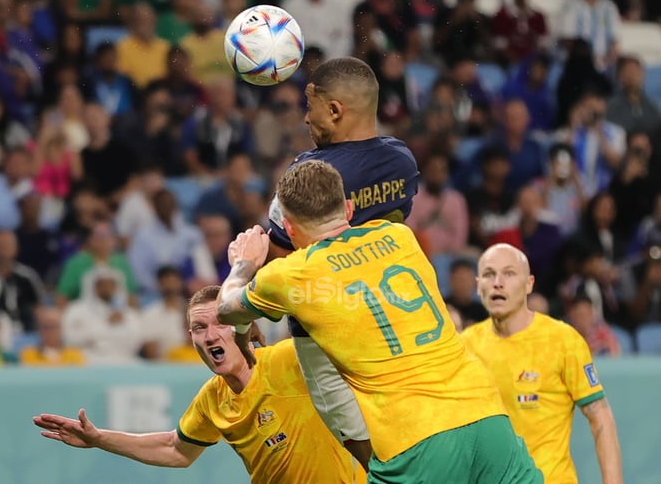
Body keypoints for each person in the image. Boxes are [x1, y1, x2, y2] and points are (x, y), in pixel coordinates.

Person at [218, 160, 541, 484]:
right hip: (486, 413)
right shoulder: (399, 235)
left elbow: (227, 309)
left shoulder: (290, 275)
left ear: (288, 228)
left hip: (415, 438)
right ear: (347, 208)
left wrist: (243, 264)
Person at [33, 286, 360, 484]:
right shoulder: (213, 400)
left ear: (240, 325)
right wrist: (99, 438)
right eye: (199, 327)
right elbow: (176, 449)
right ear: (192, 339)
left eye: (220, 322)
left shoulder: (290, 360)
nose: (210, 335)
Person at [263, 56, 419, 468]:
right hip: (386, 323)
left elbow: (279, 256)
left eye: (309, 105)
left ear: (334, 110)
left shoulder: (308, 173)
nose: (304, 117)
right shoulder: (402, 161)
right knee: (404, 440)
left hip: (325, 331)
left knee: (371, 457)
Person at [462, 243, 623, 484]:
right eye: (488, 274)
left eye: (509, 273)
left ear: (529, 284)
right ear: (478, 285)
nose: (497, 282)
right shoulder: (464, 347)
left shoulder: (562, 340)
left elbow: (600, 416)